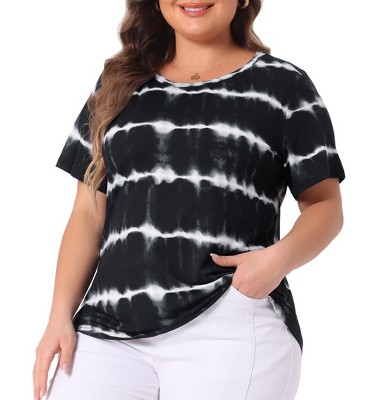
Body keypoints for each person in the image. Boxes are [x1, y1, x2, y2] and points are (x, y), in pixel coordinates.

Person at [33, 0, 345, 399]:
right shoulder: (117, 84)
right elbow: (87, 214)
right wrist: (59, 316)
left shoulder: (284, 85)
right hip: (107, 329)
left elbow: (325, 205)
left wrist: (276, 261)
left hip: (226, 319)